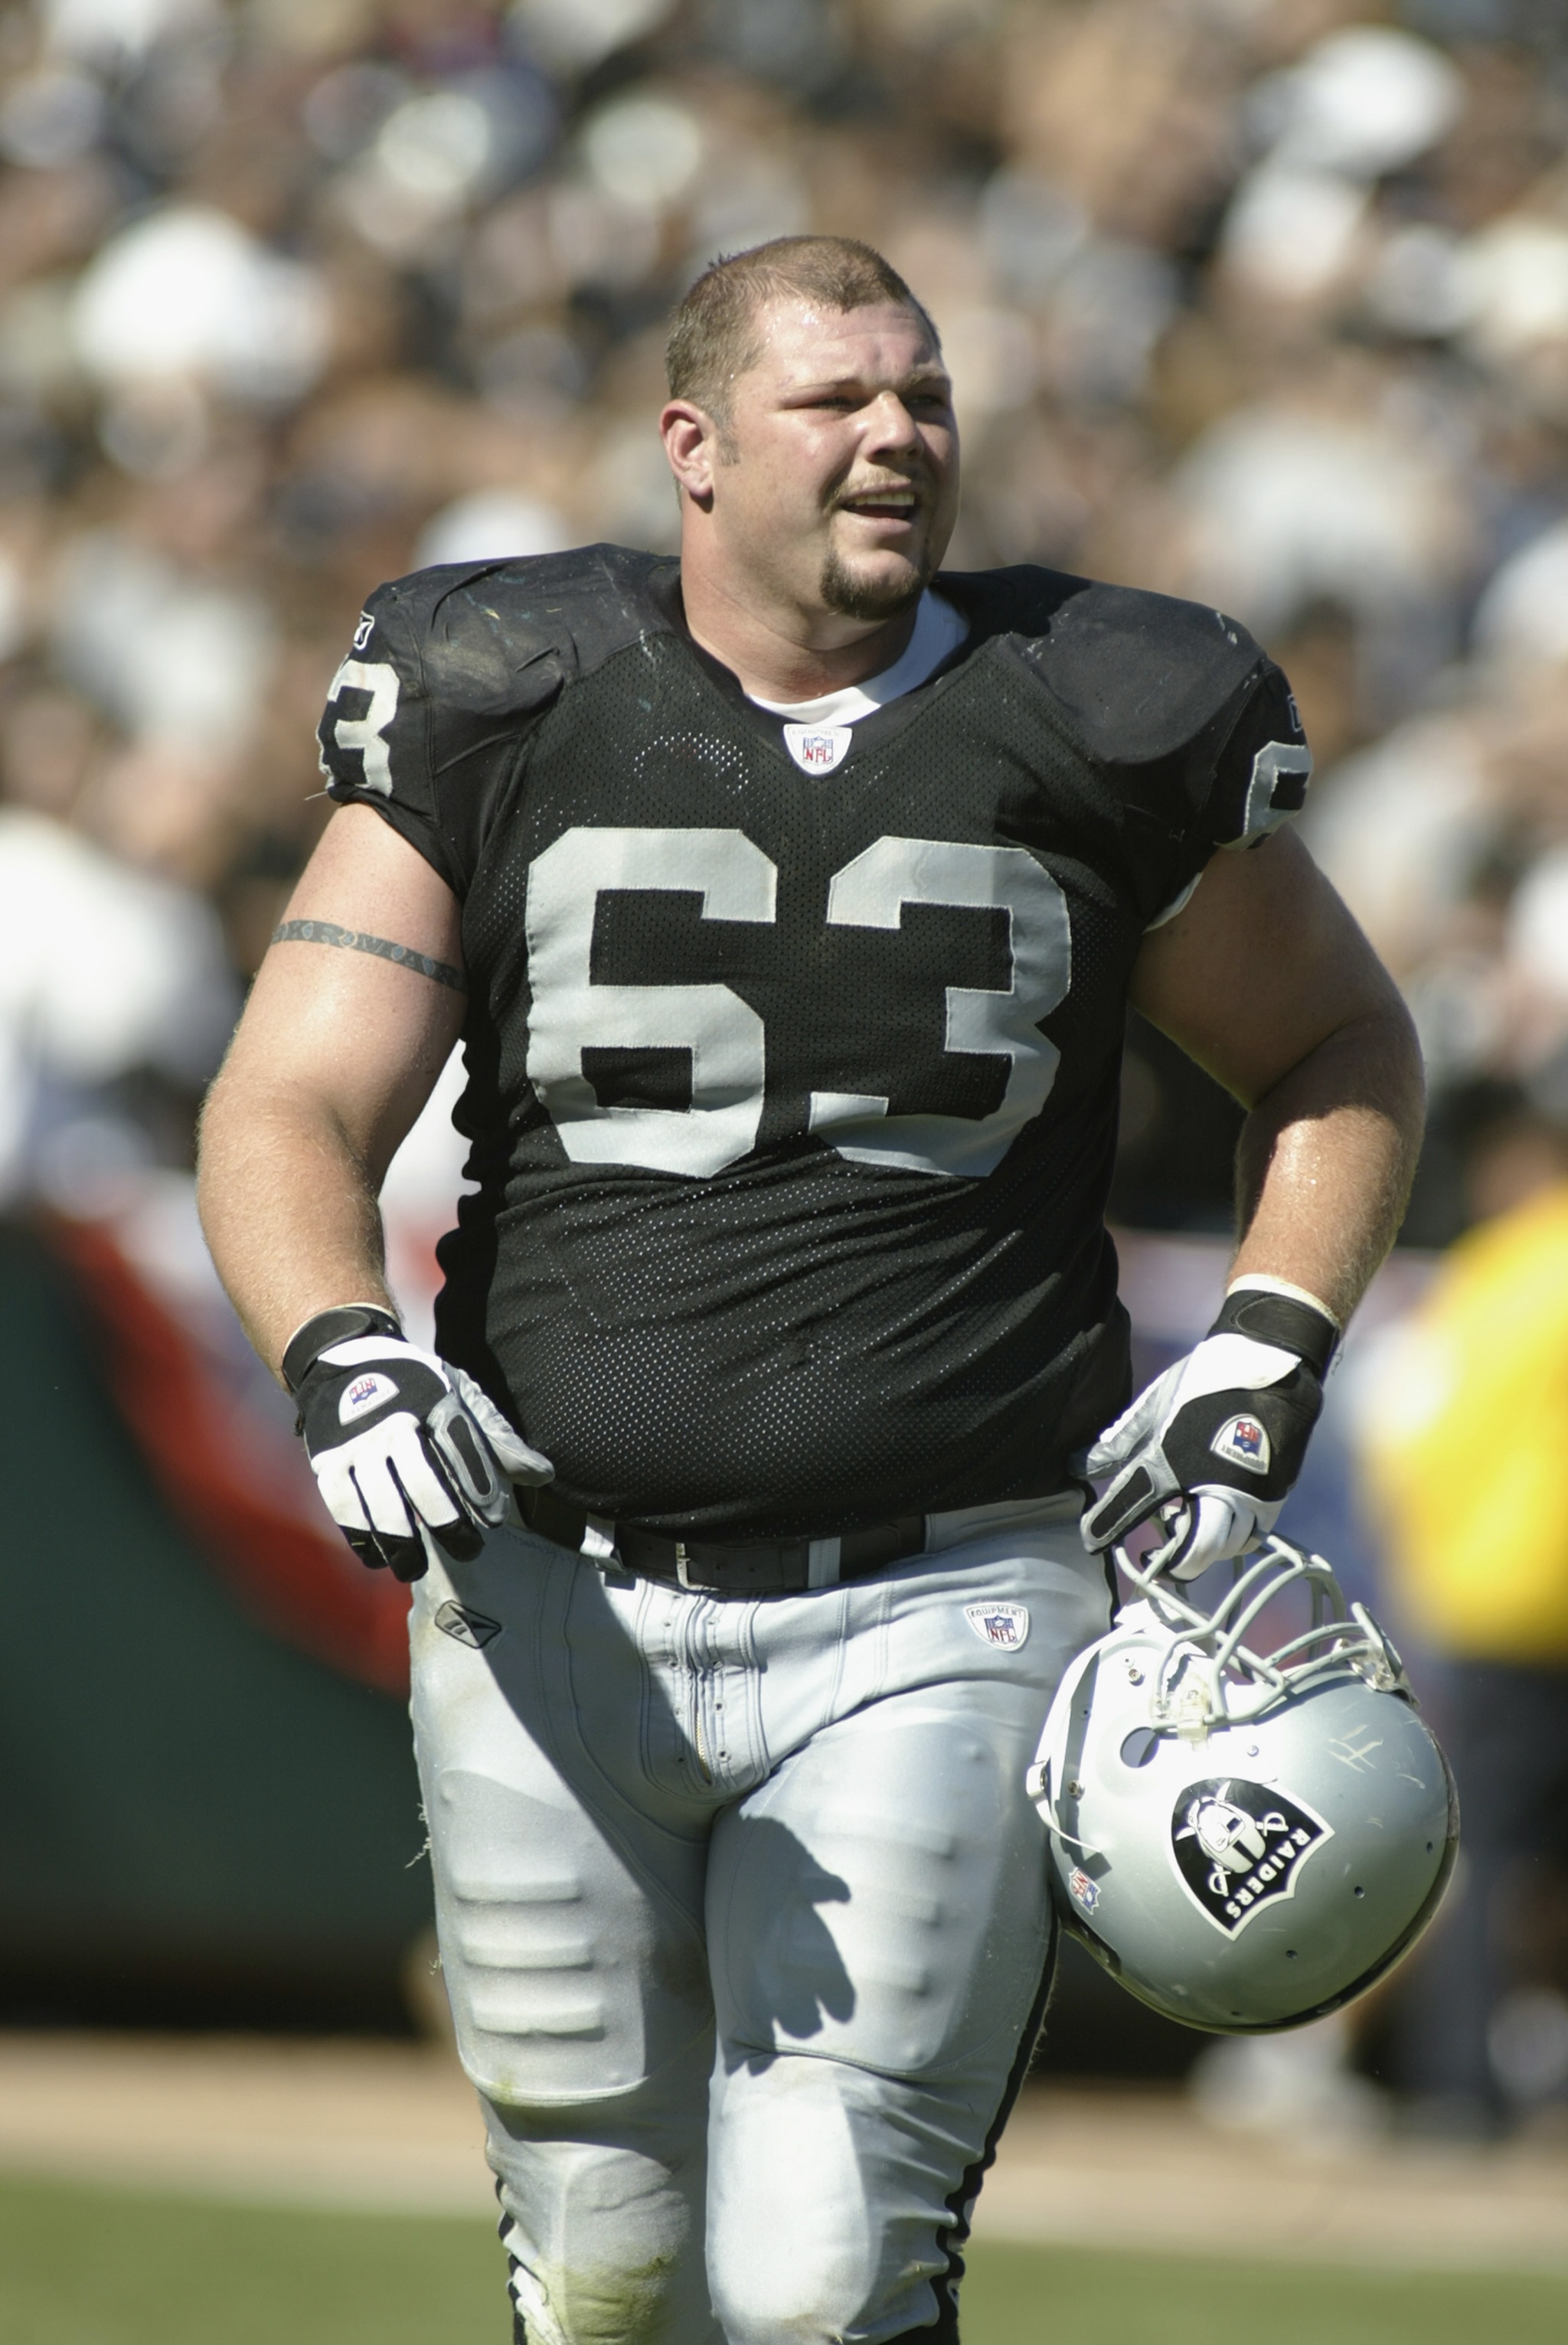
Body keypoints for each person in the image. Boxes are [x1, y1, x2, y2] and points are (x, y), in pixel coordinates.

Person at [197, 237, 1423, 2345]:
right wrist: (341, 1354)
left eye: (923, 395)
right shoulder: (507, 689)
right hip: (551, 1590)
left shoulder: (1096, 709)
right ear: (693, 445)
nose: (895, 436)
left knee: (823, 2271)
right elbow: (286, 1100)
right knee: (603, 2270)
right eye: (835, 398)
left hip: (944, 1591)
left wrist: (1266, 1338)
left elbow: (1337, 1041)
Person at [1357, 1091, 1568, 2134]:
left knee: (1486, 1853)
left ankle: (1461, 2085)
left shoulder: (1483, 1278)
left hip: (1489, 1600)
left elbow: (1404, 1435)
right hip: (1539, 1595)